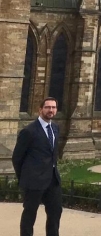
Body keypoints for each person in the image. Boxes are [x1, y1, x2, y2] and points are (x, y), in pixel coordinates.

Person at [12, 97, 62, 236]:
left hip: (52, 179)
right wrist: (24, 178)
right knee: (30, 214)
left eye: (53, 107)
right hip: (33, 181)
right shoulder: (29, 131)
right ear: (40, 109)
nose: (50, 110)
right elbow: (17, 157)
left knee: (55, 212)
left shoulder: (55, 128)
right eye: (47, 107)